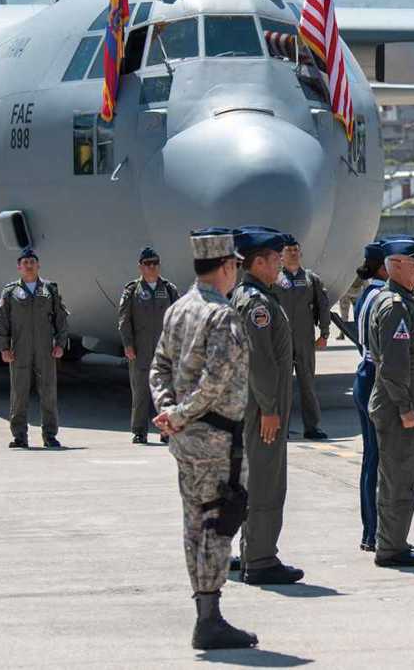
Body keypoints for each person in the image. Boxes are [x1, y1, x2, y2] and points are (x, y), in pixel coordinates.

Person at [149, 228, 258, 650]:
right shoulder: (222, 315)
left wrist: (168, 412)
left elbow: (158, 366)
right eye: (236, 267)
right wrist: (177, 413)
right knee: (219, 521)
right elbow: (216, 382)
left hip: (186, 437)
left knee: (194, 524)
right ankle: (209, 620)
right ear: (227, 267)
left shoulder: (178, 309)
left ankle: (204, 611)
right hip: (215, 439)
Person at [229, 226, 304, 585]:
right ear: (257, 262)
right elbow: (261, 362)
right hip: (262, 409)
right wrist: (271, 409)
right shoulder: (257, 304)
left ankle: (250, 552)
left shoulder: (250, 296)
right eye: (274, 259)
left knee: (254, 481)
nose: (279, 265)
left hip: (255, 405)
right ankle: (260, 560)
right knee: (266, 484)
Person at [367, 238, 414, 568]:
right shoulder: (395, 306)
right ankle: (392, 546)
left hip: (400, 405)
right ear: (396, 265)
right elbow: (393, 364)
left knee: (399, 476)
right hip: (399, 410)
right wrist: (406, 407)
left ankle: (393, 541)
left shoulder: (400, 301)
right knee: (399, 477)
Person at [0, 247, 69, 449]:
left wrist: (60, 344)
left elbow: (61, 319)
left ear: (38, 265)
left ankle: (50, 436)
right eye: (25, 262)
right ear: (19, 267)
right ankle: (19, 436)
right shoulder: (10, 292)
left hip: (45, 350)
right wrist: (4, 348)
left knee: (49, 394)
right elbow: (0, 322)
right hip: (20, 350)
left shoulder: (49, 290)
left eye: (32, 261)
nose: (29, 265)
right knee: (19, 394)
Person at [118, 246, 181, 444]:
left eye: (155, 263)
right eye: (147, 264)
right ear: (140, 267)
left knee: (166, 393)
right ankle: (139, 431)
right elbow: (124, 320)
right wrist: (128, 345)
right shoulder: (132, 291)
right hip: (140, 350)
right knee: (141, 392)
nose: (152, 267)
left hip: (164, 350)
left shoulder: (169, 289)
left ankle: (165, 431)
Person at [350, 240, 389, 552]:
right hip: (376, 376)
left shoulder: (367, 293)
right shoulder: (382, 296)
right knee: (379, 459)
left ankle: (370, 531)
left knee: (371, 459)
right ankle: (375, 531)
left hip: (364, 373)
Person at [276, 236, 332, 440]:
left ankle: (312, 427)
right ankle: (281, 427)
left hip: (304, 340)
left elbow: (323, 306)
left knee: (308, 384)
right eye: (288, 250)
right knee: (281, 386)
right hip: (280, 341)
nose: (292, 253)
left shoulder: (311, 279)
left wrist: (324, 333)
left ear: (300, 253)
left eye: (295, 249)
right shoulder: (274, 279)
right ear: (280, 256)